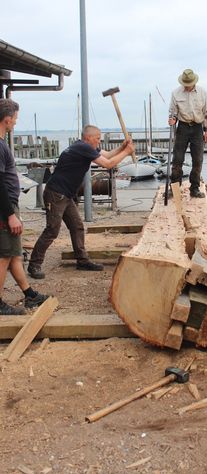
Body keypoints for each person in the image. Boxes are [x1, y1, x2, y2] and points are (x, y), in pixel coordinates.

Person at [28, 125, 135, 279]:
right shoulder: (83, 147)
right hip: (56, 194)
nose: (99, 141)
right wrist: (127, 152)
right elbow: (108, 164)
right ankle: (34, 265)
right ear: (88, 137)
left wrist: (122, 147)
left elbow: (108, 155)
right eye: (97, 138)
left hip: (66, 195)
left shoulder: (83, 147)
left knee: (77, 227)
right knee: (52, 230)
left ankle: (82, 260)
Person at [0, 98, 49, 314]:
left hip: (9, 205)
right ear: (7, 119)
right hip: (5, 208)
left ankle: (29, 295)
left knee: (14, 254)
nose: (15, 124)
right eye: (15, 120)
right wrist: (10, 214)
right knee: (4, 256)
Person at [168, 68, 207, 198]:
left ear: (194, 82)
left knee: (198, 160)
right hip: (183, 127)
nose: (187, 86)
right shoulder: (176, 93)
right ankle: (174, 188)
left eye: (189, 84)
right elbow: (173, 112)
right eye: (185, 84)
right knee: (177, 159)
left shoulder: (202, 92)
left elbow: (206, 113)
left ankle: (195, 188)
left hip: (197, 127)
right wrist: (172, 119)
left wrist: (206, 130)